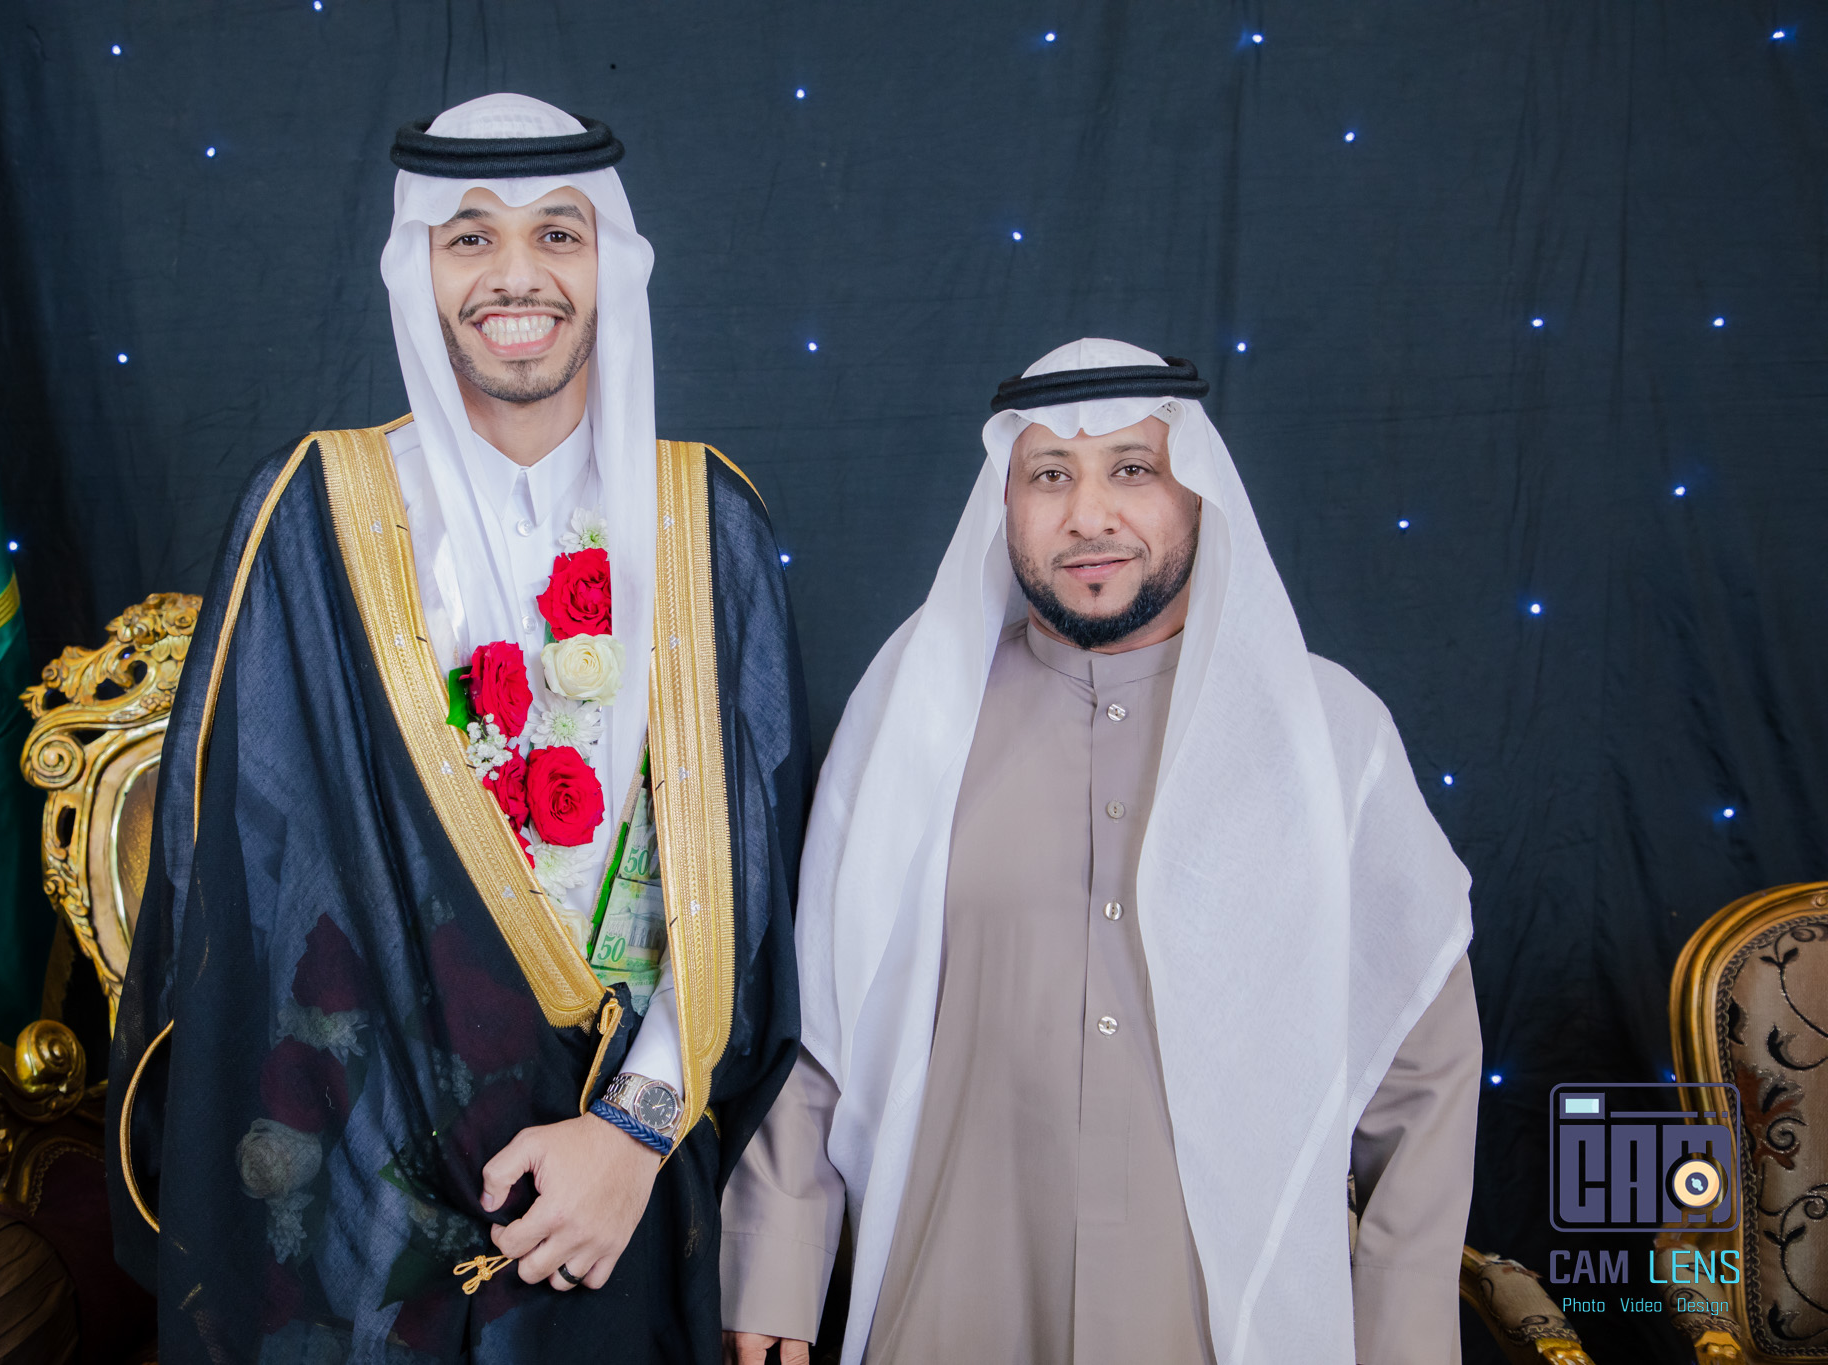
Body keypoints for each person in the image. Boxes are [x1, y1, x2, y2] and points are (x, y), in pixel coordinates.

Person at [107, 94, 809, 1365]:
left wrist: (633, 1132)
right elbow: (247, 889)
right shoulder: (314, 512)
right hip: (365, 1178)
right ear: (416, 267)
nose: (515, 275)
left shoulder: (706, 525)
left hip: (617, 1182)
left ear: (612, 264)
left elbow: (748, 892)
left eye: (558, 234)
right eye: (470, 237)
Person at [720, 339, 1480, 1365]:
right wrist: (775, 1266)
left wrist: (1402, 1342)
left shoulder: (1324, 734)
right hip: (954, 1301)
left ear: (1196, 492)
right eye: (1049, 476)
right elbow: (816, 1021)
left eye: (1131, 468)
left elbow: (1420, 1078)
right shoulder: (915, 716)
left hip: (1222, 1321)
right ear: (1005, 503)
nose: (1088, 516)